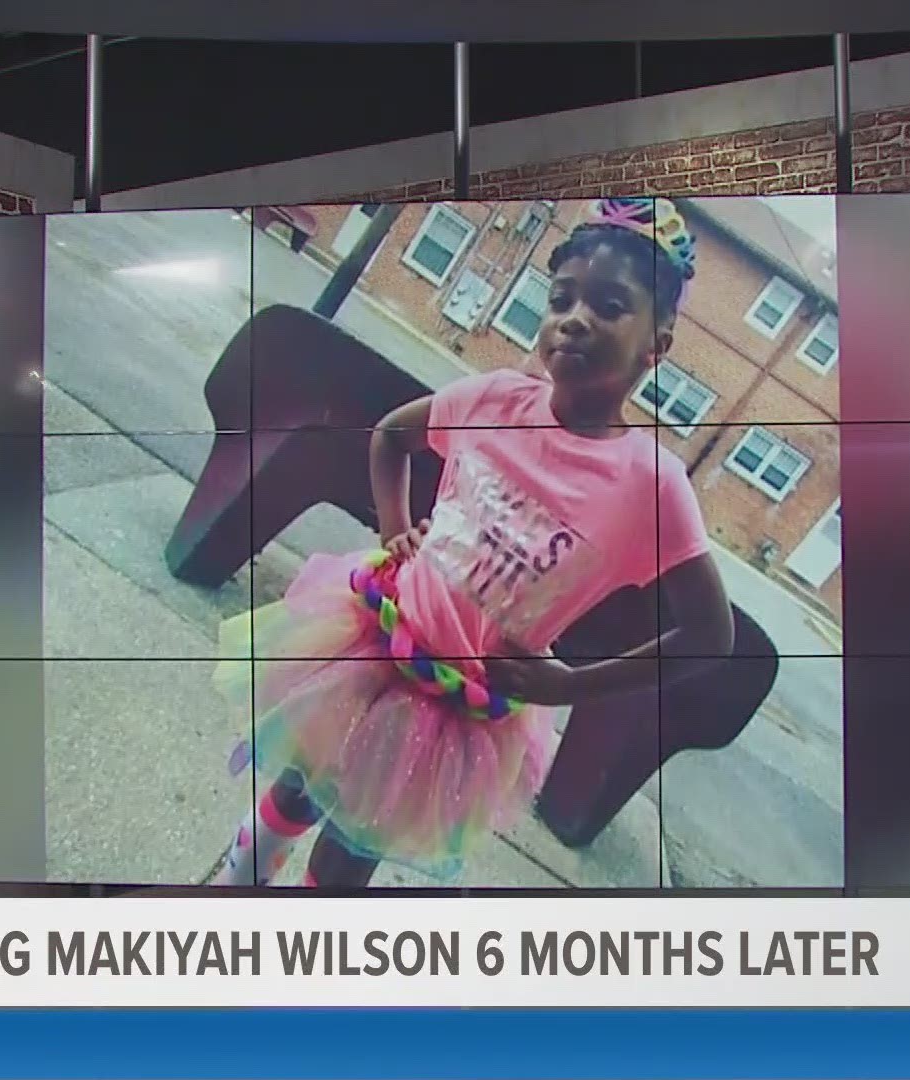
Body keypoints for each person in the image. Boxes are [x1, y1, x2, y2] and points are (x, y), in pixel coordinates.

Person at [207, 197, 735, 889]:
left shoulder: (652, 487)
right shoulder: (495, 400)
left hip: (447, 706)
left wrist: (574, 683)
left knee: (348, 850)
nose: (575, 317)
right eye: (561, 298)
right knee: (299, 782)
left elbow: (708, 635)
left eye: (609, 306)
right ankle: (233, 885)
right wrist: (395, 530)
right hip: (372, 641)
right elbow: (392, 435)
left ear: (657, 342)